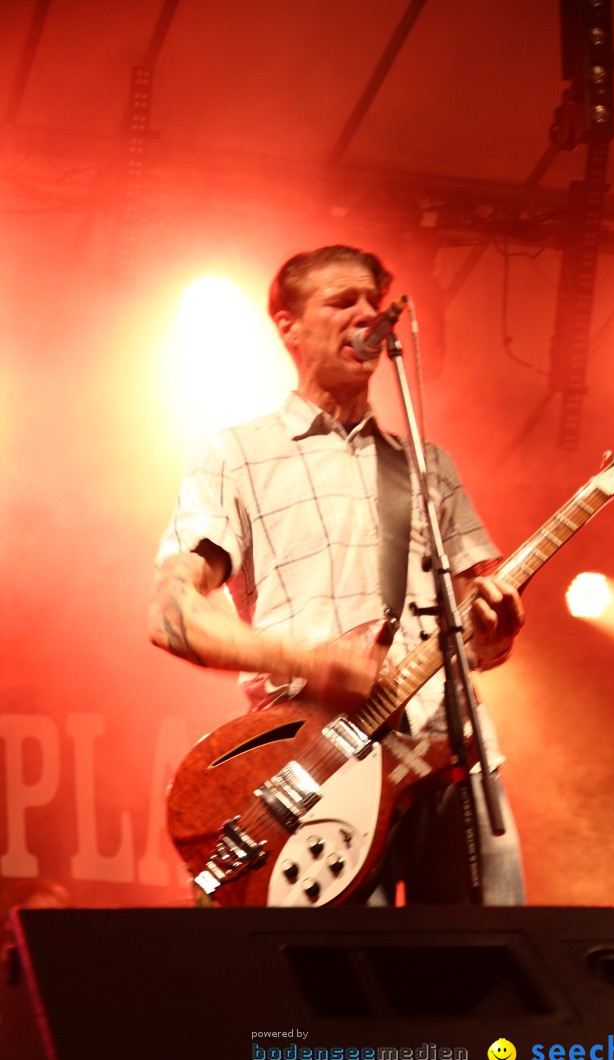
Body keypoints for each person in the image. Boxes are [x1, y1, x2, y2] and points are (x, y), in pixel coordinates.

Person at [149, 243, 526, 905]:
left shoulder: (427, 464)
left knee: (496, 973)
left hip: (449, 755)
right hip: (319, 760)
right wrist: (314, 662)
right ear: (289, 327)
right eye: (341, 301)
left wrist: (494, 634)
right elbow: (172, 615)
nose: (366, 315)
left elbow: (479, 626)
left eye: (373, 302)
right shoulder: (237, 455)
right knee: (332, 987)